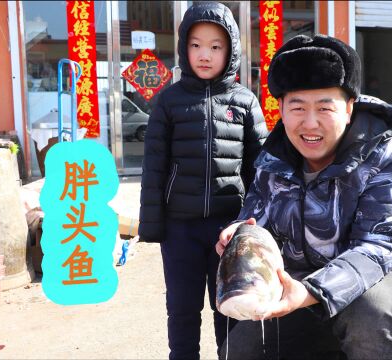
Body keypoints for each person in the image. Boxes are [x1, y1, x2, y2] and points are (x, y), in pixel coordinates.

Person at [216, 34, 392, 360]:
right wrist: (241, 233)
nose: (310, 123)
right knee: (239, 349)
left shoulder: (388, 154)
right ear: (280, 109)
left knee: (370, 312)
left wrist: (308, 291)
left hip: (389, 289)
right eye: (297, 107)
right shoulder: (271, 161)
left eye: (324, 107)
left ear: (349, 108)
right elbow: (256, 218)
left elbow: (379, 248)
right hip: (303, 289)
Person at [138, 2, 268, 359]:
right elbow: (154, 167)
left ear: (230, 50)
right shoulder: (168, 101)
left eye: (215, 46)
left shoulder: (244, 101)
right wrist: (153, 225)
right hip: (180, 227)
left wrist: (256, 222)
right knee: (181, 308)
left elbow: (262, 170)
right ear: (184, 48)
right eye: (196, 45)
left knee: (229, 306)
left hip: (229, 228)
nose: (205, 55)